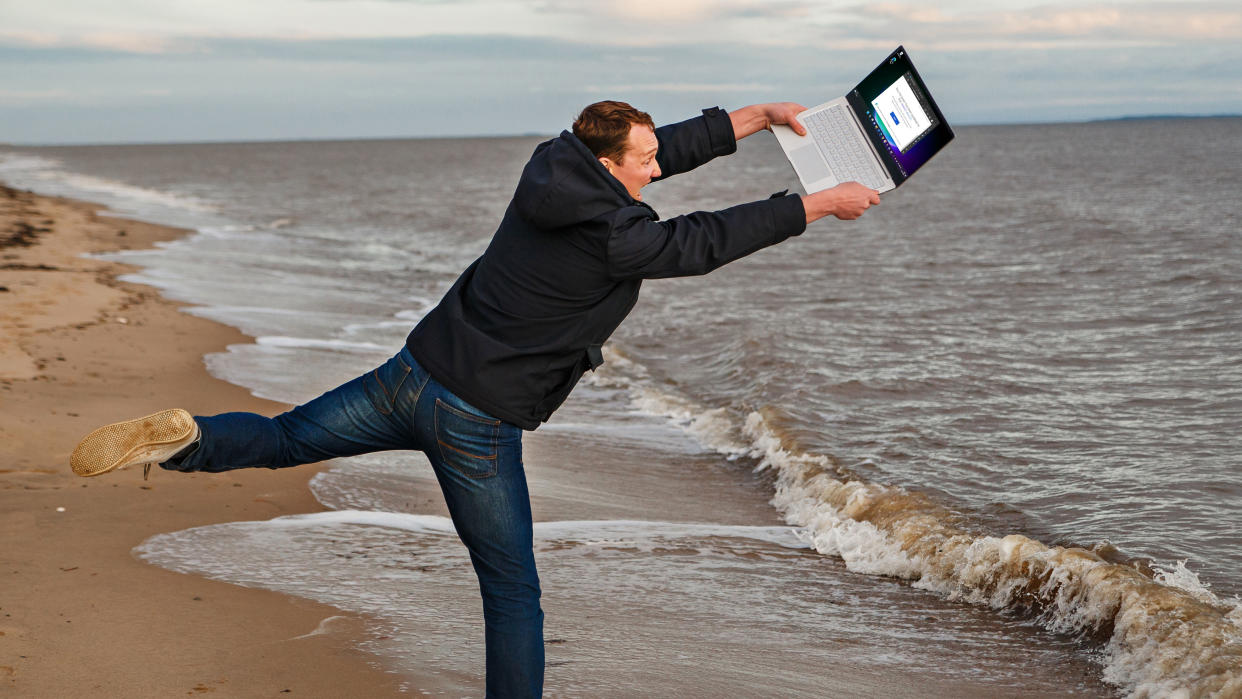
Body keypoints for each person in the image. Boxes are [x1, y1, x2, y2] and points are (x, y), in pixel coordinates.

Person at [70, 100, 880, 698]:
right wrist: (813, 204)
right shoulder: (617, 233)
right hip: (477, 424)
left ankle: (185, 440)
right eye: (644, 159)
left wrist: (754, 119)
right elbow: (700, 243)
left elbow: (661, 146)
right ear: (609, 165)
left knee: (285, 437)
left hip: (410, 375)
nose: (656, 165)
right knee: (512, 587)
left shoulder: (554, 161)